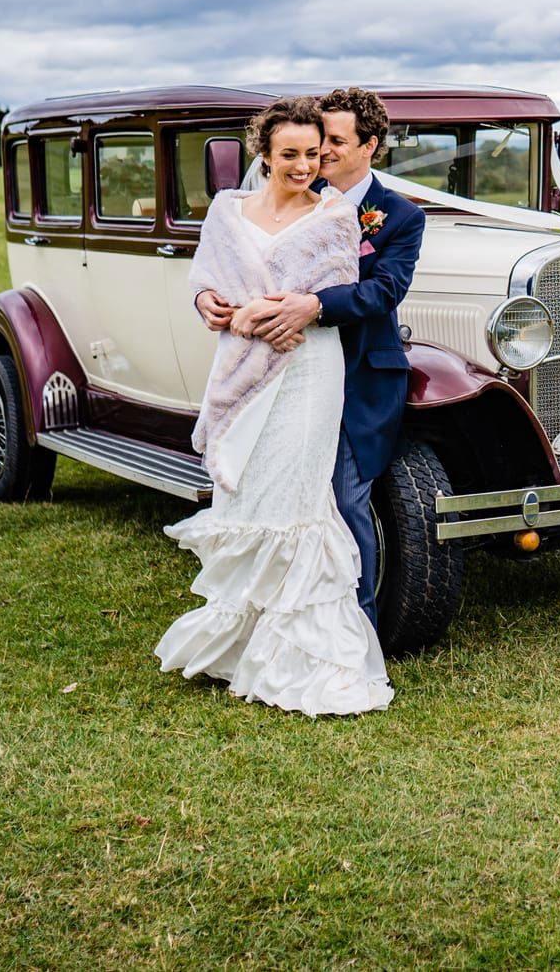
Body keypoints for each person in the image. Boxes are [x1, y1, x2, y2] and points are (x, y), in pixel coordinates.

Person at [157, 96, 393, 715]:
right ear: (263, 153)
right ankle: (241, 644)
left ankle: (303, 658)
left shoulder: (336, 215)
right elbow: (207, 272)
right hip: (241, 359)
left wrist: (276, 314)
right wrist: (208, 298)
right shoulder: (227, 210)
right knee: (248, 491)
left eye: (313, 154)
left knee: (297, 499)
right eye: (290, 154)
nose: (304, 166)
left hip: (308, 368)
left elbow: (333, 289)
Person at [220, 87, 424, 628]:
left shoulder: (399, 216)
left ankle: (358, 626)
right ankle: (274, 611)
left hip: (359, 376)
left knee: (346, 498)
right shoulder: (289, 198)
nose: (321, 154)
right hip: (285, 370)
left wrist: (314, 305)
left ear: (369, 146)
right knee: (278, 490)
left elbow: (383, 292)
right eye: (315, 143)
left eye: (333, 142)